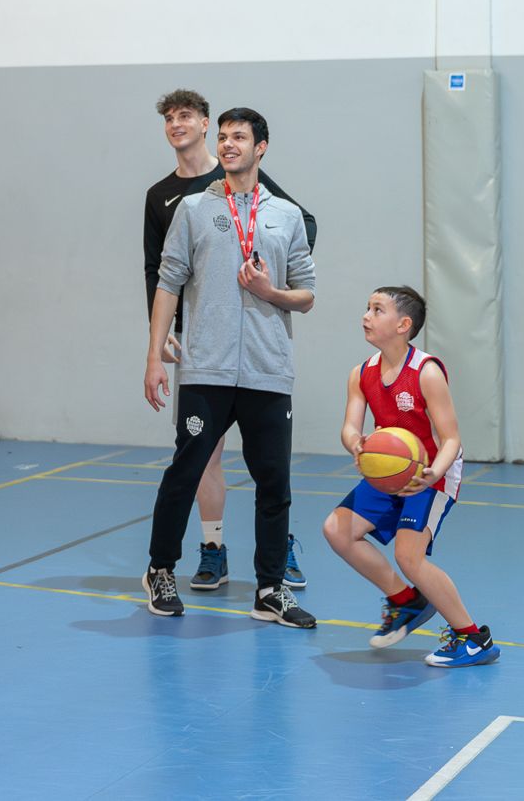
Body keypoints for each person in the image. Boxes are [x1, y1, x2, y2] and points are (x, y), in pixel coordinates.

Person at [142, 108, 317, 628]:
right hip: (205, 369)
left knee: (274, 484)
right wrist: (155, 354)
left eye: (239, 137)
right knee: (185, 471)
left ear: (261, 147)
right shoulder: (194, 209)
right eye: (223, 137)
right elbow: (167, 282)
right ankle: (161, 569)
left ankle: (269, 589)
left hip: (267, 370)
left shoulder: (285, 215)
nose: (228, 144)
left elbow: (306, 294)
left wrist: (271, 292)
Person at [321, 286, 498, 667]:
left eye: (377, 309)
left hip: (432, 472)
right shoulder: (361, 373)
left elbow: (451, 437)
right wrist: (356, 444)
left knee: (409, 555)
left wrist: (436, 470)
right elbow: (350, 427)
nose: (366, 315)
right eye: (366, 307)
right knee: (337, 530)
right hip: (389, 469)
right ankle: (405, 600)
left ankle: (473, 638)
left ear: (403, 325)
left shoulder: (427, 372)